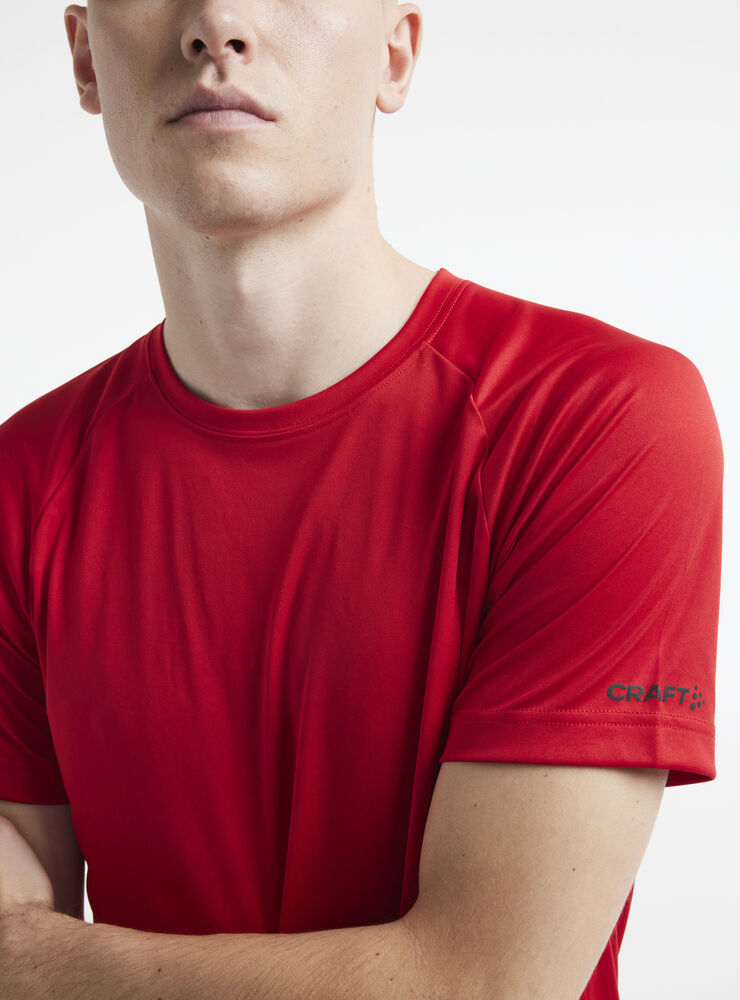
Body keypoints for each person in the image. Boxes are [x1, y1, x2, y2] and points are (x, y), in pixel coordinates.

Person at [0, 2, 723, 998]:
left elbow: (484, 983)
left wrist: (41, 967)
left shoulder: (595, 422)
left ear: (395, 52)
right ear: (84, 58)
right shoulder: (21, 483)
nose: (216, 24)